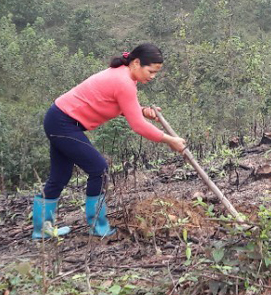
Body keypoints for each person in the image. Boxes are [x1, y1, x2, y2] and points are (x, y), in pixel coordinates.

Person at [32, 43, 186, 239]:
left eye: (156, 73)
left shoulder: (124, 74)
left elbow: (118, 105)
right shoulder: (124, 81)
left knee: (60, 175)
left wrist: (142, 111)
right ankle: (97, 226)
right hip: (63, 122)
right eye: (150, 71)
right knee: (99, 168)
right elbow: (138, 126)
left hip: (58, 118)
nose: (152, 77)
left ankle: (42, 230)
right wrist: (169, 140)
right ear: (136, 63)